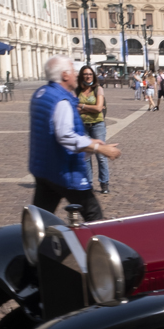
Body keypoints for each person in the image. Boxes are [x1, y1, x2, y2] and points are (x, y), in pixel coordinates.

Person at [29, 55, 121, 222]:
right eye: (73, 71)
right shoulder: (61, 100)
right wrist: (100, 149)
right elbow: (65, 135)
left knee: (40, 220)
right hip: (66, 171)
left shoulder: (41, 94)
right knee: (94, 216)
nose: (75, 74)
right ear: (65, 75)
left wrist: (92, 142)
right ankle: (94, 247)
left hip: (44, 169)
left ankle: (39, 247)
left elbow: (52, 132)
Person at [75, 65, 110, 195]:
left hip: (97, 125)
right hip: (82, 125)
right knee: (86, 157)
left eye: (90, 74)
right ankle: (88, 183)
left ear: (93, 76)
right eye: (85, 74)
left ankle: (104, 182)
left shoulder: (98, 89)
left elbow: (99, 108)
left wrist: (82, 106)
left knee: (101, 155)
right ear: (81, 76)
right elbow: (73, 107)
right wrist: (90, 107)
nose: (88, 76)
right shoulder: (77, 90)